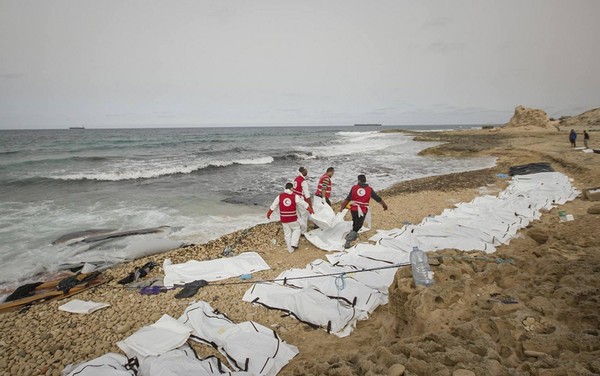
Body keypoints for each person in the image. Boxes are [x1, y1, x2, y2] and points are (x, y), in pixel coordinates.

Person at [340, 174, 388, 248]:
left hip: (353, 209)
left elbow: (348, 199)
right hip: (362, 210)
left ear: (359, 180)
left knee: (355, 222)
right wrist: (384, 205)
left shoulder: (354, 187)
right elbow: (377, 198)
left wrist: (342, 208)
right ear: (365, 180)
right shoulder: (369, 189)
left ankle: (354, 235)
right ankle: (348, 242)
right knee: (358, 226)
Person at [267, 183, 314, 253]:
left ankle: (290, 249)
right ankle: (294, 244)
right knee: (297, 229)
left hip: (283, 219)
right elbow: (304, 204)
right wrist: (310, 210)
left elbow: (273, 206)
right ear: (291, 188)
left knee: (287, 233)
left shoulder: (279, 196)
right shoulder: (295, 196)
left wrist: (268, 214)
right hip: (292, 218)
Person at [292, 167, 312, 233]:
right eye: (306, 170)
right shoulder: (303, 181)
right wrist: (310, 205)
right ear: (303, 171)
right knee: (304, 214)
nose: (307, 171)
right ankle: (303, 231)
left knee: (298, 215)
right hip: (300, 199)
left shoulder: (296, 179)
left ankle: (297, 228)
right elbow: (307, 195)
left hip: (294, 198)